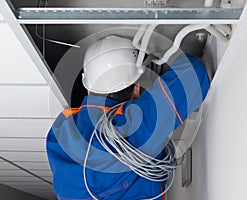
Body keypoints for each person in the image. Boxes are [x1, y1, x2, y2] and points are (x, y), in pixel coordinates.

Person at [47, 35, 210, 200]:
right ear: (137, 89)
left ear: (88, 88)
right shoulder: (131, 130)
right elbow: (194, 74)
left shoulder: (60, 130)